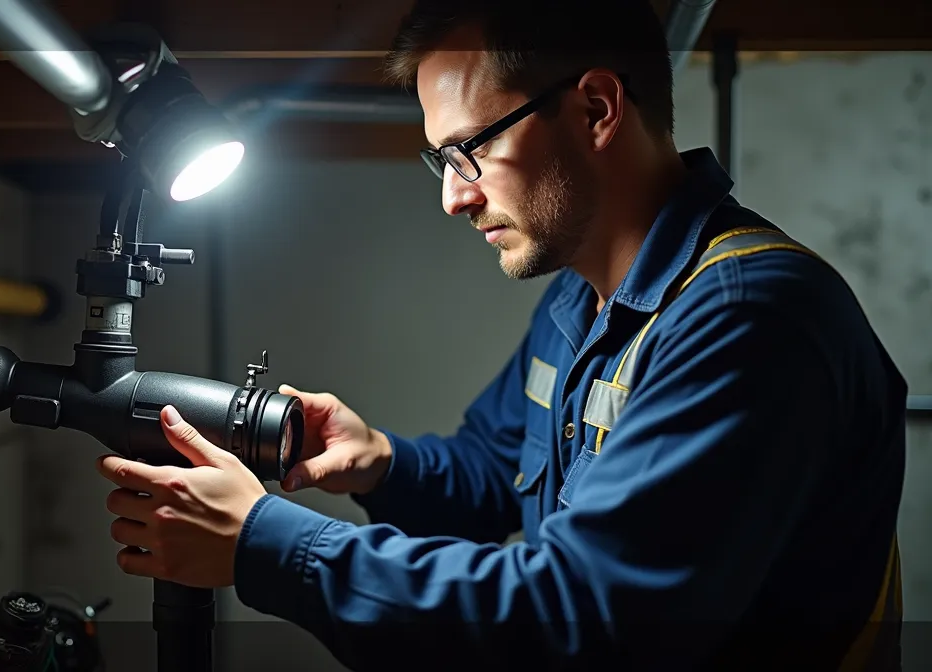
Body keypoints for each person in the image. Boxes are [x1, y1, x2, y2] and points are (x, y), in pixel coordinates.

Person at [94, 0, 908, 669]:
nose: (453, 197)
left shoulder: (745, 319)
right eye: (439, 161)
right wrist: (381, 464)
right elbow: (493, 474)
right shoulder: (583, 301)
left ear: (595, 108)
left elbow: (579, 619)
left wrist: (266, 542)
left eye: (469, 150)